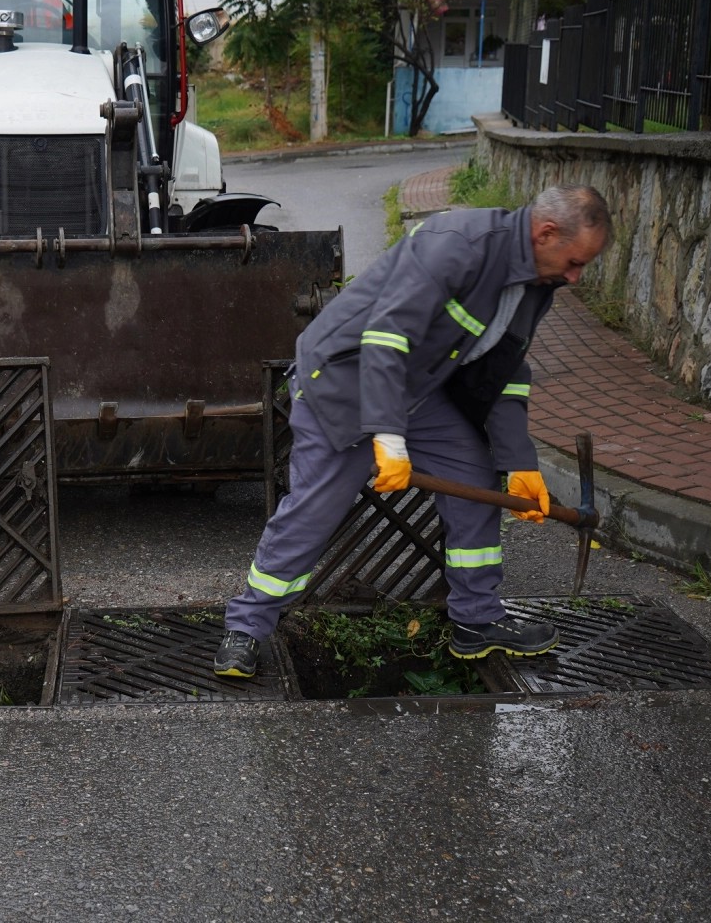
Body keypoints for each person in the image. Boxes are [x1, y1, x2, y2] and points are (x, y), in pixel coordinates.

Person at [214, 185, 613, 678]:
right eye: (575, 262)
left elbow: (506, 370)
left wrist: (519, 461)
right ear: (546, 232)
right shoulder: (457, 243)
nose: (575, 276)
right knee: (314, 511)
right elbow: (385, 337)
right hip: (344, 383)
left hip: (417, 390)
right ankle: (246, 627)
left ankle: (477, 620)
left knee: (475, 478)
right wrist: (388, 437)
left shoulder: (538, 282)